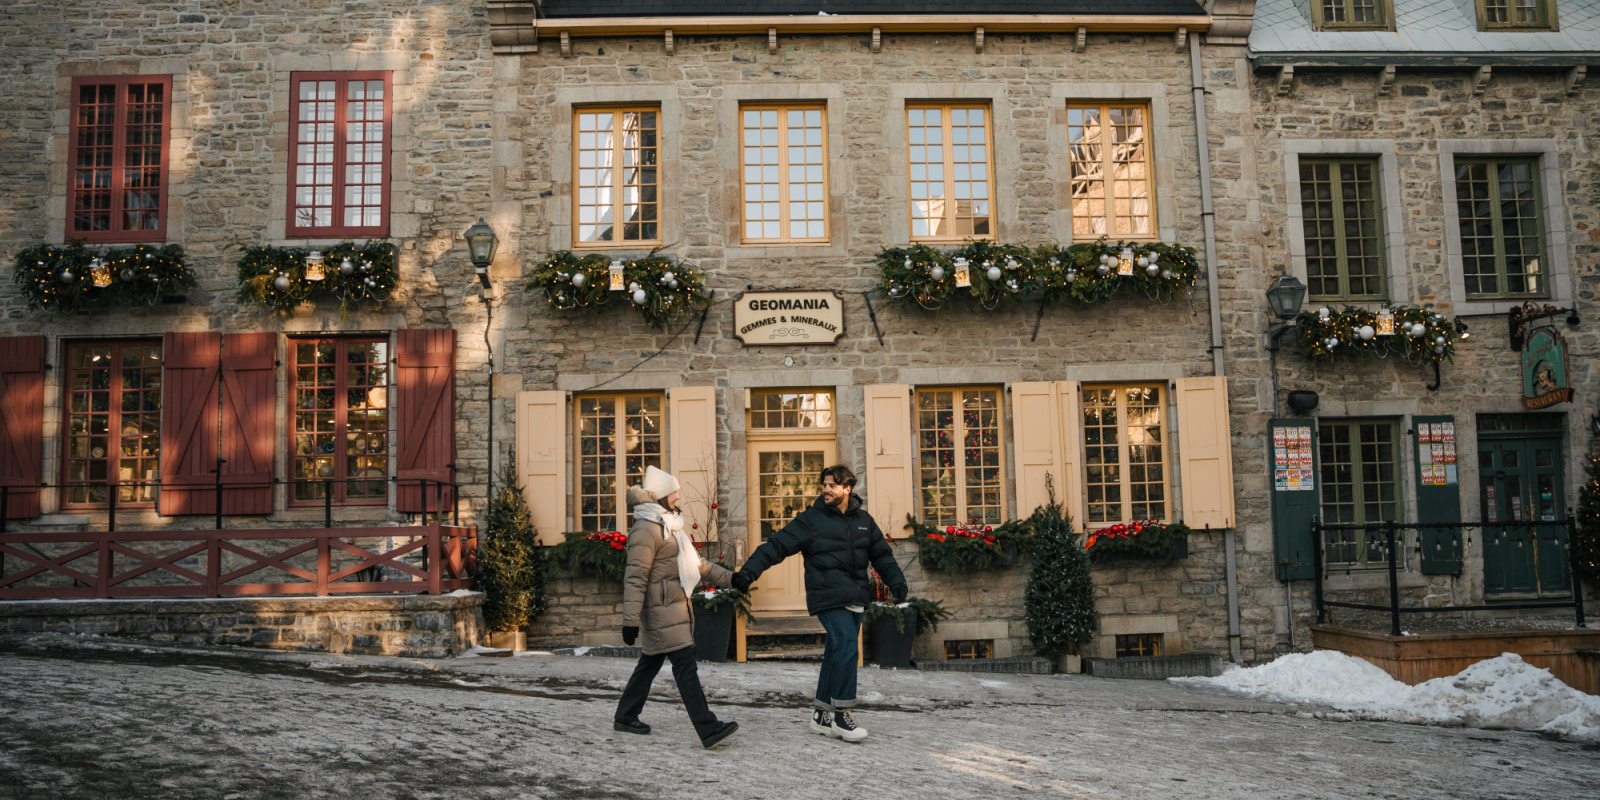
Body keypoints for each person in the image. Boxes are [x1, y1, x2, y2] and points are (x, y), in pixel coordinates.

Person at [732, 464, 907, 743]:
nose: (826, 489)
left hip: (856, 596)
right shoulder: (811, 520)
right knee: (848, 646)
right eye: (824, 485)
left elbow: (882, 555)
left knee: (837, 650)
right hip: (827, 596)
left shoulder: (864, 520)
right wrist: (748, 572)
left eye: (832, 486)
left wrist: (896, 582)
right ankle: (842, 715)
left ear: (847, 489)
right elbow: (776, 545)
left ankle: (822, 715)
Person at [615, 466, 740, 749]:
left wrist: (733, 578)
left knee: (650, 662)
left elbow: (699, 566)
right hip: (661, 611)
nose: (677, 496)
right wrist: (630, 620)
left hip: (673, 608)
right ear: (659, 495)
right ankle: (707, 728)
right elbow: (635, 577)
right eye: (672, 492)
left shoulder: (671, 527)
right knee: (685, 665)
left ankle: (625, 715)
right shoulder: (646, 530)